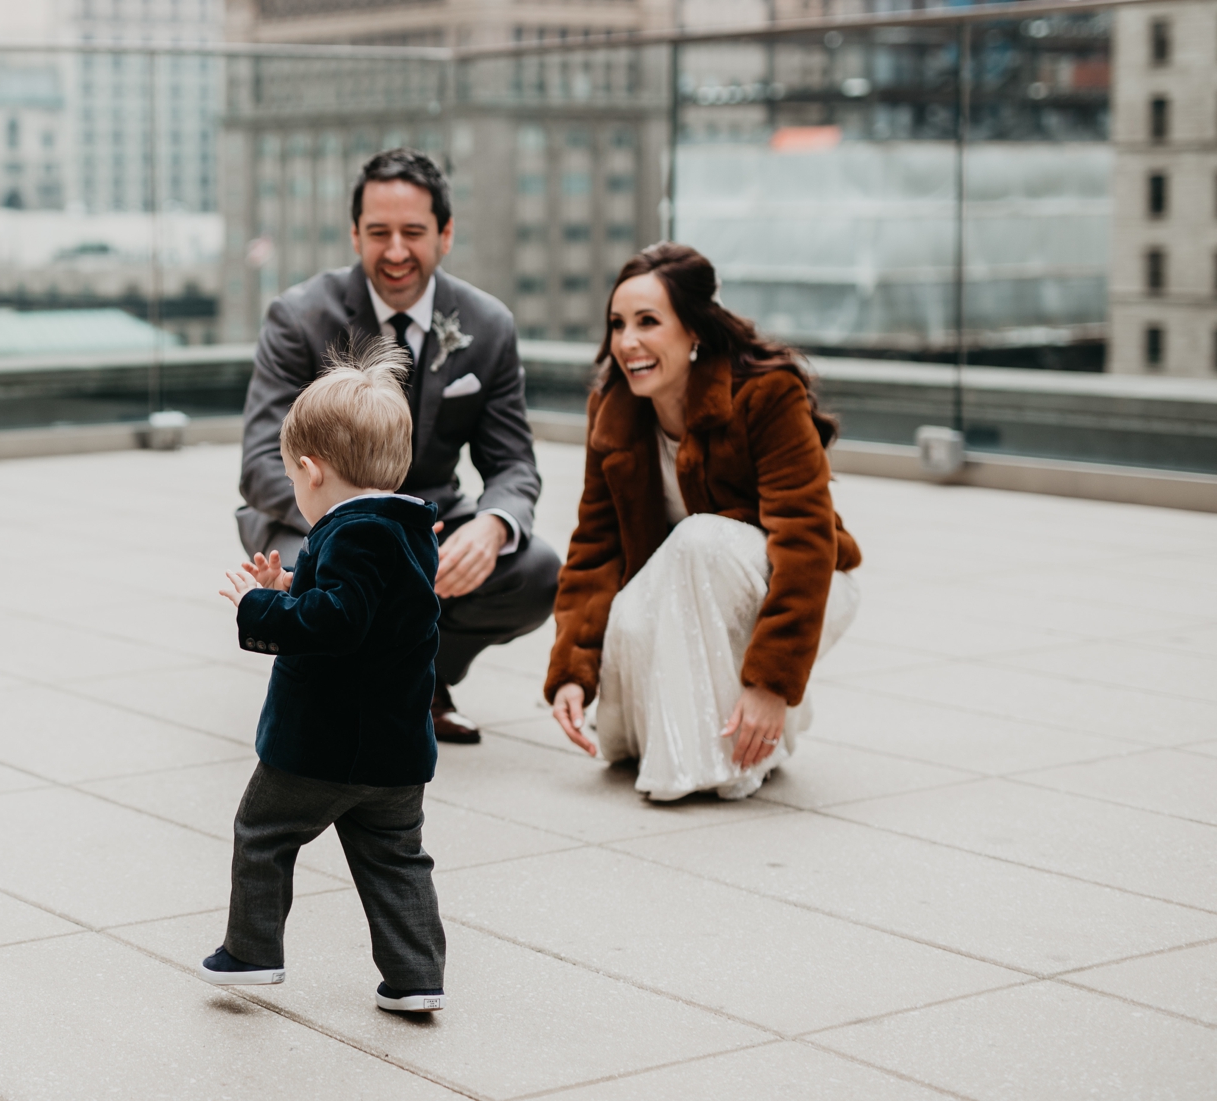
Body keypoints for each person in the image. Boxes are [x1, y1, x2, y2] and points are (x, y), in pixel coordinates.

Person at [237, 148, 561, 745]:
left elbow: (513, 462)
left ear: (446, 234)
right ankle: (327, 701)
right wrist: (362, 528)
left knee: (536, 571)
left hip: (431, 518)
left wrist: (491, 526)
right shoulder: (299, 317)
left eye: (413, 232)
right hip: (314, 515)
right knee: (316, 571)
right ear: (354, 234)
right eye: (378, 232)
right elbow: (260, 464)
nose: (395, 251)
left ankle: (421, 680)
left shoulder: (488, 324)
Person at [544, 243, 861, 801]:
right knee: (634, 616)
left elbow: (807, 541)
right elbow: (595, 548)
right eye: (617, 324)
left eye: (648, 322)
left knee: (700, 538)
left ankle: (739, 742)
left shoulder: (767, 394)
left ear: (694, 330)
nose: (627, 342)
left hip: (802, 585)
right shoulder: (614, 413)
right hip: (684, 593)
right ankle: (711, 739)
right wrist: (573, 670)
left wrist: (773, 682)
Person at [203, 339, 447, 1013]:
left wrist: (262, 607)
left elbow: (335, 624)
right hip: (397, 752)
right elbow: (366, 611)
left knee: (263, 832)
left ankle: (252, 953)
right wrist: (290, 588)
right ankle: (416, 972)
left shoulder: (350, 534)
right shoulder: (407, 529)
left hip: (324, 748)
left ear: (310, 471)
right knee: (395, 857)